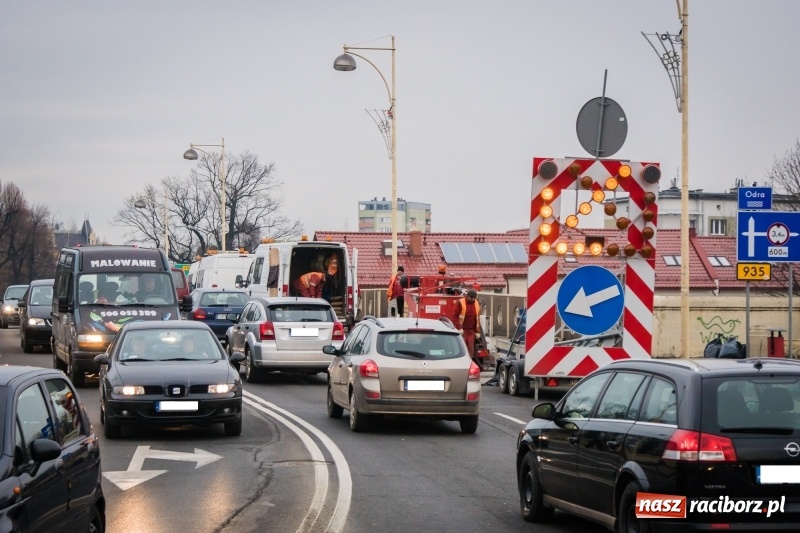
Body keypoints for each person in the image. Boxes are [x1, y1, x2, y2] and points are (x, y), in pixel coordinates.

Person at [453, 289, 482, 367]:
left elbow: (477, 318)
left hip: (471, 330)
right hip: (463, 330)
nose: (472, 299)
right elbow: (455, 316)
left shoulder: (476, 303)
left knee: (471, 349)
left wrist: (477, 331)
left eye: (474, 298)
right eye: (471, 298)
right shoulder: (460, 302)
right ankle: (460, 364)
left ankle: (469, 365)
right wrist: (459, 327)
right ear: (468, 296)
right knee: (462, 348)